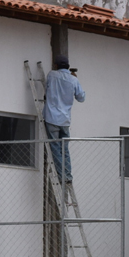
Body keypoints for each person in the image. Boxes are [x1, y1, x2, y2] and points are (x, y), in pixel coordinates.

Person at [43, 55, 85, 184]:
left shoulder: (51, 75)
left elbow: (47, 89)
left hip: (51, 118)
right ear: (68, 66)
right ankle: (67, 176)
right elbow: (81, 98)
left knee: (55, 147)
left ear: (56, 65)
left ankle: (61, 176)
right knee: (64, 149)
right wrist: (74, 78)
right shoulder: (73, 80)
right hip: (65, 120)